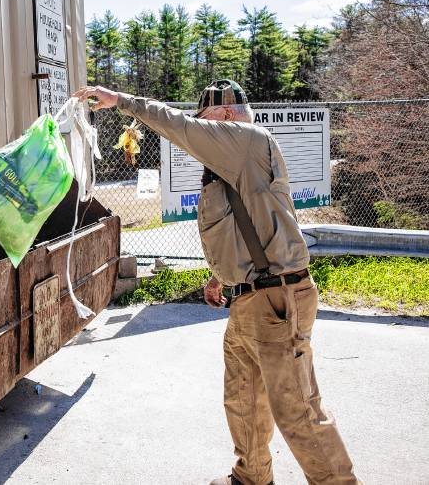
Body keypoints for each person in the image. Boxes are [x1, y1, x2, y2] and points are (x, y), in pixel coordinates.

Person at [73, 81, 360, 485]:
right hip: (249, 299)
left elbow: (179, 127)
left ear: (225, 116)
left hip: (275, 298)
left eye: (206, 124)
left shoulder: (244, 141)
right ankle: (251, 477)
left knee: (297, 409)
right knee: (244, 397)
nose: (201, 136)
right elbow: (241, 226)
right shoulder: (233, 164)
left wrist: (122, 102)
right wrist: (219, 276)